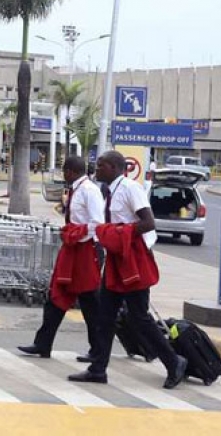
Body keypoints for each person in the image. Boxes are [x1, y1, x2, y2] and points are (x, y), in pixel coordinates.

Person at [68, 151, 187, 389]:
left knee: (139, 317)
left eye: (100, 166)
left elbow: (148, 222)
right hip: (116, 259)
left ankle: (174, 362)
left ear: (113, 168)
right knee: (105, 315)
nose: (96, 169)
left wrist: (119, 233)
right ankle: (98, 369)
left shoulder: (130, 188)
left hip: (133, 258)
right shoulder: (108, 191)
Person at [17, 156, 103, 361]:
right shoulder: (77, 189)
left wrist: (75, 234)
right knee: (56, 296)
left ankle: (98, 350)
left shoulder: (90, 191)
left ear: (71, 171)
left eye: (64, 171)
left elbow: (98, 223)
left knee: (90, 302)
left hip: (85, 250)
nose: (63, 175)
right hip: (73, 249)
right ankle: (43, 344)